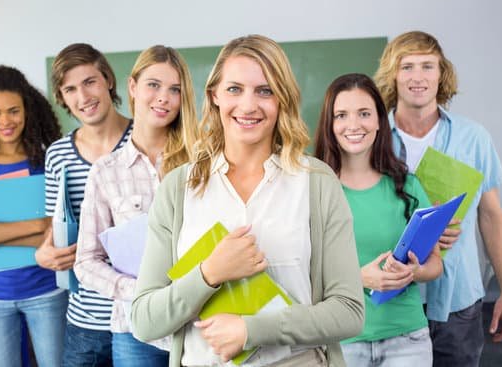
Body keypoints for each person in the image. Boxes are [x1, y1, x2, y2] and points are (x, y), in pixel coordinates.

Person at [130, 34, 364, 367]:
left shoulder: (317, 182)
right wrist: (209, 273)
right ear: (214, 96)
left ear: (282, 98)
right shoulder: (178, 187)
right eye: (235, 89)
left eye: (265, 91)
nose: (249, 105)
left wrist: (251, 330)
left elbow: (349, 312)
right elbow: (143, 319)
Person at [374, 30, 502, 366]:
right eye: (407, 67)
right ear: (393, 75)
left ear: (441, 74)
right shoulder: (371, 139)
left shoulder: (472, 137)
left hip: (458, 299)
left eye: (427, 66)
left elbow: (491, 215)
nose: (418, 77)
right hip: (393, 300)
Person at [74, 45, 198, 366]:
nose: (163, 98)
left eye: (175, 89)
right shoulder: (105, 171)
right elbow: (85, 262)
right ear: (132, 87)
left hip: (199, 324)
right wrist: (139, 290)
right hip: (136, 332)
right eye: (153, 85)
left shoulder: (203, 162)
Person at [314, 73, 443, 366]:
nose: (354, 125)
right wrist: (358, 278)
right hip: (342, 340)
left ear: (378, 122)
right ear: (330, 124)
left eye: (364, 114)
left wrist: (412, 272)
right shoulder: (314, 190)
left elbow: (435, 264)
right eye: (341, 115)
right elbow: (302, 273)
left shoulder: (407, 185)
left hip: (408, 339)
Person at [0, 65, 66, 366]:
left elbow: (57, 235)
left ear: (27, 110)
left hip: (46, 292)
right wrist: (37, 226)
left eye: (13, 111)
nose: (5, 121)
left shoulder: (48, 161)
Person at [35, 43, 133, 366]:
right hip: (85, 321)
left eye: (90, 82)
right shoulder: (58, 154)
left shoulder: (145, 138)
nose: (83, 97)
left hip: (139, 315)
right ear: (62, 98)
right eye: (70, 89)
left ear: (108, 79)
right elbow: (54, 228)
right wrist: (43, 253)